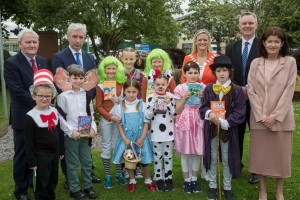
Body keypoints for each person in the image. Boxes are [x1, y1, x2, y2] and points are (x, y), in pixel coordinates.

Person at [247, 27, 296, 200]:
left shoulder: (289, 62)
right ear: (264, 43)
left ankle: (279, 192)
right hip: (260, 120)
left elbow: (289, 90)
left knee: (280, 158)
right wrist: (261, 115)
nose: (273, 44)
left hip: (281, 119)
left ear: (282, 43)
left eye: (276, 41)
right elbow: (251, 90)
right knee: (261, 158)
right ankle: (262, 191)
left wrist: (274, 116)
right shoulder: (255, 63)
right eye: (269, 41)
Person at [52, 23, 100, 187]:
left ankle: (89, 173)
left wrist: (87, 97)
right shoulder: (59, 56)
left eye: (81, 37)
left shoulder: (89, 56)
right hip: (69, 106)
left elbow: (92, 81)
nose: (78, 40)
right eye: (75, 36)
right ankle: (69, 178)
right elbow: (59, 83)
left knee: (85, 142)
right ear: (68, 37)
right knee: (70, 143)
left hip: (85, 105)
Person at [4, 29, 48, 200]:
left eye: (34, 42)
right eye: (28, 42)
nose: (32, 45)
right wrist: (44, 101)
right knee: (23, 155)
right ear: (20, 43)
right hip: (24, 118)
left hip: (42, 117)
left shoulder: (43, 61)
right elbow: (18, 92)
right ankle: (21, 191)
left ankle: (33, 182)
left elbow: (48, 86)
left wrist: (47, 102)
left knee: (38, 152)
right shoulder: (11, 63)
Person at [200, 55, 246, 200]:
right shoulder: (209, 89)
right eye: (218, 70)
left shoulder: (237, 90)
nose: (221, 73)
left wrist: (226, 123)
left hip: (228, 131)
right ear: (214, 73)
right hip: (211, 129)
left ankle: (227, 187)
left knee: (227, 158)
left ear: (229, 72)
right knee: (213, 157)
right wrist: (209, 113)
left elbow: (240, 111)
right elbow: (203, 107)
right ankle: (213, 186)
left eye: (224, 70)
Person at [225, 12, 259, 184]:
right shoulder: (231, 47)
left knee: (258, 135)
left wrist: (250, 89)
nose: (247, 26)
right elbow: (227, 72)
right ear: (239, 26)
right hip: (236, 98)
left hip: (258, 99)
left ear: (256, 25)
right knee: (236, 134)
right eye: (244, 23)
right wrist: (238, 89)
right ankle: (235, 165)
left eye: (250, 23)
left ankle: (257, 169)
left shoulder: (263, 46)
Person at [57, 65, 98, 200]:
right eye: (75, 77)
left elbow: (90, 113)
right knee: (73, 164)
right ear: (69, 78)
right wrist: (71, 131)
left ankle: (88, 186)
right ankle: (74, 189)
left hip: (85, 133)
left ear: (84, 79)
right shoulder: (63, 96)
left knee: (87, 162)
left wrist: (92, 128)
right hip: (72, 135)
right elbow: (61, 117)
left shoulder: (87, 95)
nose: (78, 80)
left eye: (81, 78)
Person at [24, 69, 64, 200]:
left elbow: (58, 131)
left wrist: (61, 150)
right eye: (40, 95)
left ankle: (51, 196)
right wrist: (32, 161)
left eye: (48, 95)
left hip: (54, 152)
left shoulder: (54, 110)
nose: (44, 98)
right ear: (33, 96)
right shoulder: (31, 116)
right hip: (40, 155)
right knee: (42, 180)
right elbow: (28, 142)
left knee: (53, 178)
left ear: (52, 96)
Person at [112, 79, 156, 193]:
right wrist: (124, 139)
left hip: (141, 137)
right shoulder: (120, 106)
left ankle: (148, 180)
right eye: (128, 92)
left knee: (144, 160)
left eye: (134, 92)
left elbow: (146, 122)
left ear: (138, 92)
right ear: (124, 92)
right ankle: (132, 181)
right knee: (129, 160)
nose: (131, 94)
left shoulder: (142, 105)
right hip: (127, 138)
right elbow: (119, 125)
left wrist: (142, 137)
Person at [96, 56, 128, 189]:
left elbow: (128, 100)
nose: (110, 71)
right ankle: (108, 175)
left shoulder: (122, 84)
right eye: (108, 68)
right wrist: (110, 117)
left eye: (113, 68)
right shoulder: (100, 85)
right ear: (104, 70)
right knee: (106, 145)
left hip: (119, 119)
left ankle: (119, 174)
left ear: (118, 69)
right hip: (107, 119)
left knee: (118, 145)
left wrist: (119, 101)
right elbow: (99, 106)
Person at [174, 61, 205, 193]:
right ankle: (186, 181)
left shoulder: (203, 87)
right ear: (185, 74)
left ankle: (194, 179)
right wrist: (184, 98)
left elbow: (206, 106)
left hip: (198, 122)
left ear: (199, 73)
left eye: (195, 72)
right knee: (185, 153)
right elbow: (177, 110)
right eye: (190, 73)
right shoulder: (179, 88)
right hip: (184, 123)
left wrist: (203, 98)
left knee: (196, 153)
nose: (193, 75)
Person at [144, 72, 176, 192]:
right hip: (156, 132)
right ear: (153, 85)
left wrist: (168, 103)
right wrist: (153, 103)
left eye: (163, 84)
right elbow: (147, 115)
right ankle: (158, 178)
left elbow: (174, 114)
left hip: (168, 132)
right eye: (158, 84)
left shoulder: (171, 96)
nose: (160, 87)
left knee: (168, 155)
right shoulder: (150, 97)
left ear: (167, 84)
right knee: (157, 156)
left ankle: (168, 177)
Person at [120, 47, 144, 178]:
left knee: (137, 138)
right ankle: (125, 167)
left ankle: (138, 166)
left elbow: (144, 91)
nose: (128, 61)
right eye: (126, 59)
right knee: (126, 139)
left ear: (135, 59)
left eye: (131, 59)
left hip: (137, 108)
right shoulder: (118, 73)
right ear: (122, 59)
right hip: (124, 108)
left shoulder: (140, 74)